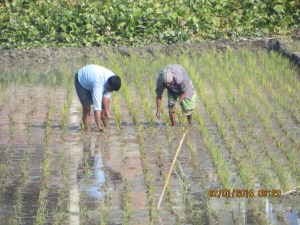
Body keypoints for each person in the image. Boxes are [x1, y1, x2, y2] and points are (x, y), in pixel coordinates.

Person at [75, 64, 121, 131]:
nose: (110, 91)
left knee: (105, 109)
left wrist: (107, 112)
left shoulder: (113, 80)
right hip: (81, 80)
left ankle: (106, 128)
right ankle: (87, 130)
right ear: (107, 83)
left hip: (92, 77)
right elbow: (97, 108)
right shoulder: (99, 85)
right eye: (110, 89)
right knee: (87, 108)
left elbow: (106, 98)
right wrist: (99, 127)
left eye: (112, 90)